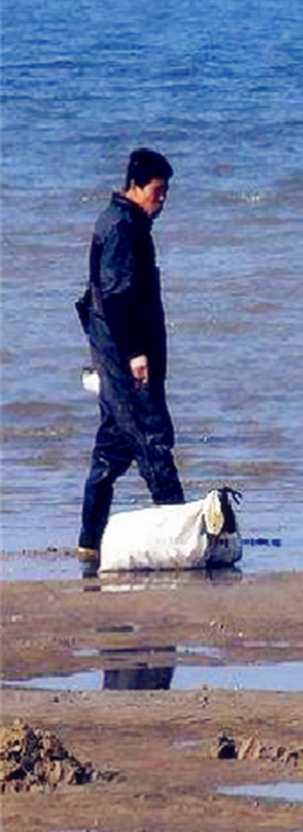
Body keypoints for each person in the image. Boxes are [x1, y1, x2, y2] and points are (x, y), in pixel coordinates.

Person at [75, 149, 188, 565]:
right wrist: (136, 355)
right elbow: (118, 296)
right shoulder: (121, 226)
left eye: (167, 191)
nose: (163, 199)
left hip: (115, 355)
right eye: (158, 191)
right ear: (136, 186)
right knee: (153, 439)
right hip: (125, 358)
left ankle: (89, 543)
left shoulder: (123, 221)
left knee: (112, 450)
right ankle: (182, 535)